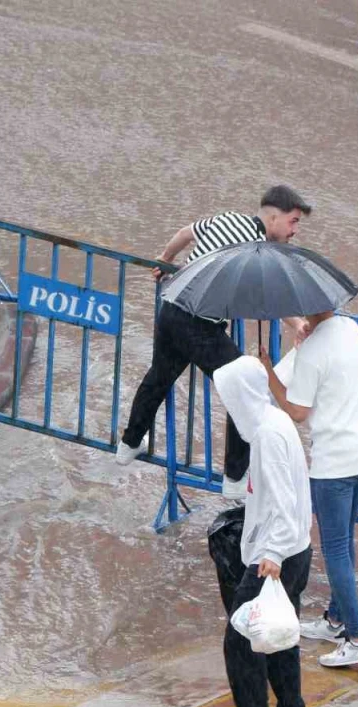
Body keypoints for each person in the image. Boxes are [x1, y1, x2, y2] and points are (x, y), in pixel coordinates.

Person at [115, 186, 313, 499]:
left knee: (159, 377)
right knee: (245, 386)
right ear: (273, 216)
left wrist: (166, 258)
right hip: (199, 325)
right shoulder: (258, 249)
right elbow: (267, 298)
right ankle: (235, 477)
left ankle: (129, 443)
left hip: (171, 307)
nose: (295, 230)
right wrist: (299, 323)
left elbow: (184, 233)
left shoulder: (226, 219)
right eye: (293, 221)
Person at [261, 310, 358, 668]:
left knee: (335, 550)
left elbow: (297, 410)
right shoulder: (350, 327)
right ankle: (335, 620)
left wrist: (268, 371)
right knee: (345, 540)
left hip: (335, 464)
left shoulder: (311, 351)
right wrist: (305, 340)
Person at [211, 356, 313, 707]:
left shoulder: (268, 436)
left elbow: (283, 502)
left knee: (241, 637)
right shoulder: (274, 423)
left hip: (276, 556)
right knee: (280, 635)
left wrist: (269, 554)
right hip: (294, 550)